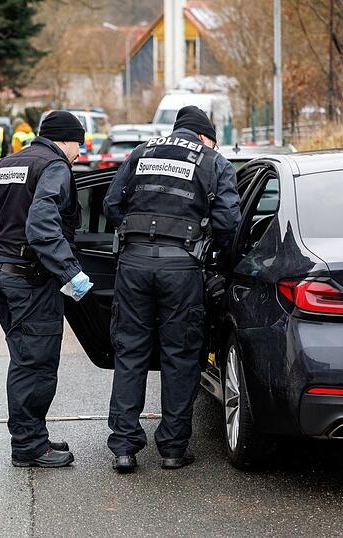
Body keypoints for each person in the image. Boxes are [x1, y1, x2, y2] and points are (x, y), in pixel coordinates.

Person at [102, 105, 241, 474]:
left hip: (133, 265)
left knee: (130, 352)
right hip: (182, 268)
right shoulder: (213, 161)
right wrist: (213, 253)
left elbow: (111, 204)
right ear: (204, 136)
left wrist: (134, 236)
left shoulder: (141, 153)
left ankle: (124, 448)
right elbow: (229, 221)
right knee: (180, 356)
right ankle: (173, 450)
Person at [0, 111, 94, 468]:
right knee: (35, 364)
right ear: (65, 140)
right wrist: (70, 272)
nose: (79, 152)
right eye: (79, 144)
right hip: (32, 281)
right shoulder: (54, 166)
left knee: (25, 359)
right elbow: (41, 225)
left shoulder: (9, 163)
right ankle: (29, 447)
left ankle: (33, 435)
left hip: (3, 277)